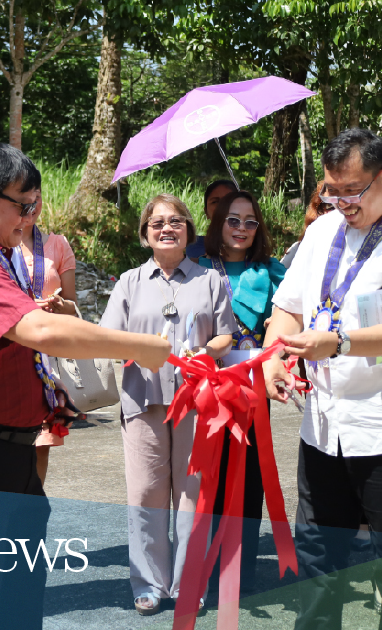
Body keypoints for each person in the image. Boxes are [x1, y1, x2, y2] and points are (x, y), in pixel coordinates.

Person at [0, 142, 171, 630]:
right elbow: (40, 332)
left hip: (8, 453)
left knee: (17, 608)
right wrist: (140, 346)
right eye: (22, 205)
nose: (30, 216)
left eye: (35, 206)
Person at [262, 127, 382, 630]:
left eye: (353, 190)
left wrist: (339, 343)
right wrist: (272, 359)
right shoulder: (323, 231)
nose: (341, 202)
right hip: (324, 426)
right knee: (319, 560)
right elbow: (287, 306)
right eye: (331, 189)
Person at [100, 193, 237, 616]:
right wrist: (137, 349)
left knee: (191, 494)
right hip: (143, 399)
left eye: (176, 221)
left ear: (188, 231)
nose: (166, 228)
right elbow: (109, 336)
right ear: (145, 233)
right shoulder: (128, 282)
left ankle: (189, 582)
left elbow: (226, 333)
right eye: (157, 222)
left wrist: (207, 352)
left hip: (196, 399)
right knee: (145, 493)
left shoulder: (210, 280)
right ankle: (148, 583)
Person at [197, 190, 286, 594]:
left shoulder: (272, 272)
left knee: (249, 480)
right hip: (205, 389)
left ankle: (241, 570)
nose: (242, 229)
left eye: (250, 222)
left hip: (252, 389)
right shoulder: (197, 267)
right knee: (206, 480)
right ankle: (203, 566)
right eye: (233, 220)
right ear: (219, 223)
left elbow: (293, 320)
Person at [16, 196, 79, 483]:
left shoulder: (58, 244)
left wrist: (56, 304)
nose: (30, 204)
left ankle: (31, 511)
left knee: (42, 445)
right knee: (11, 444)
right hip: (11, 352)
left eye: (36, 197)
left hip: (47, 360)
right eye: (22, 197)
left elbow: (73, 306)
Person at [280, 184, 334, 269]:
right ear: (318, 210)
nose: (340, 211)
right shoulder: (299, 248)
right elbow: (279, 277)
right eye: (331, 206)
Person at [185, 179, 238, 260]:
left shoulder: (250, 245)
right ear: (206, 212)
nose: (222, 206)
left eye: (228, 200)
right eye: (215, 202)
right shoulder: (192, 245)